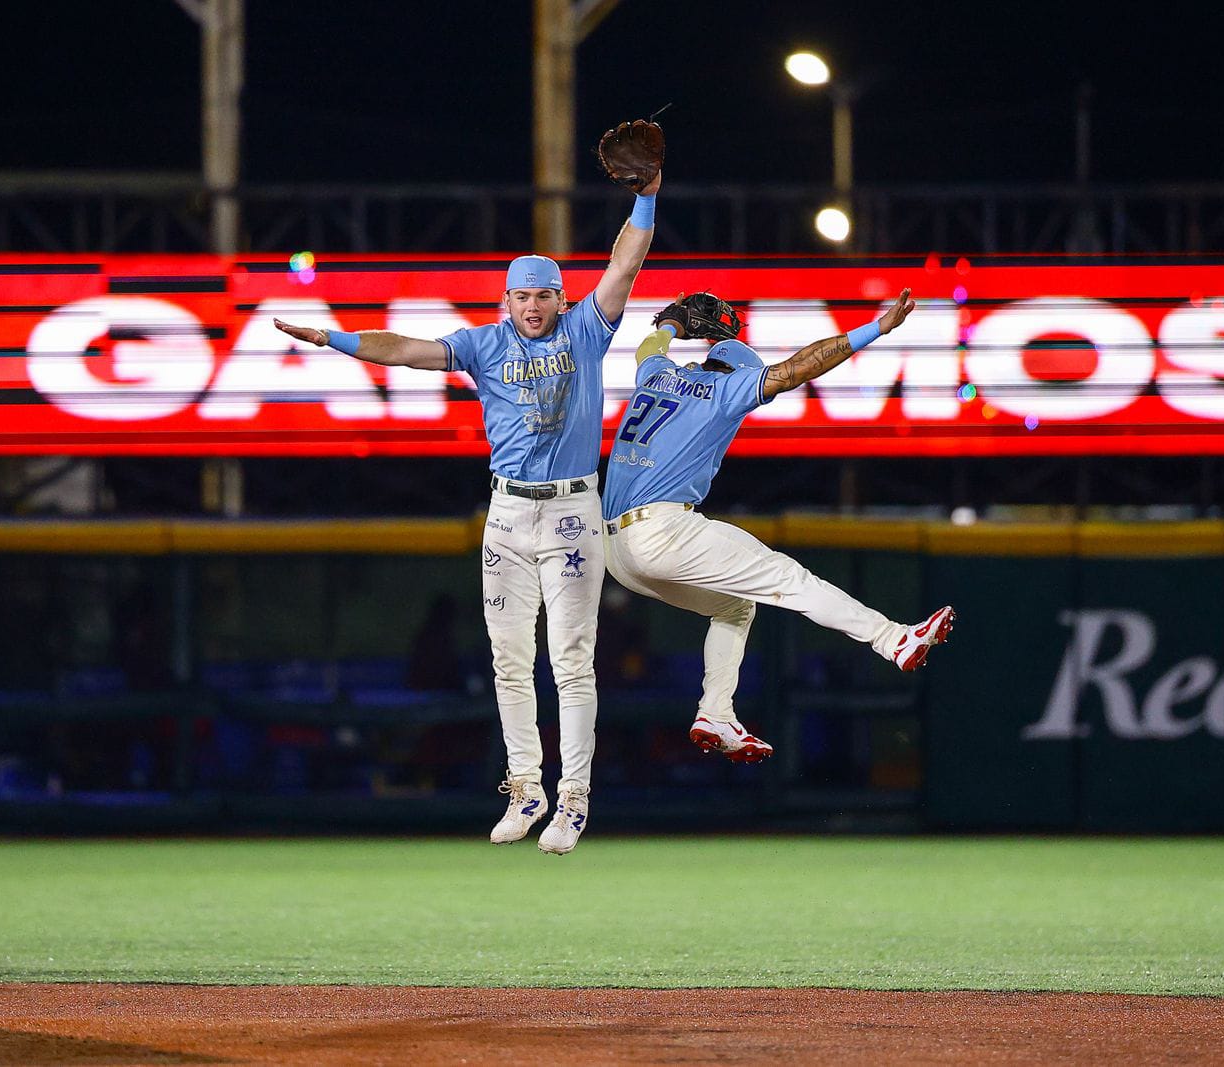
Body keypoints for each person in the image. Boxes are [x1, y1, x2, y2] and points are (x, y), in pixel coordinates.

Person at [273, 172, 662, 856]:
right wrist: (332, 338)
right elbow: (403, 350)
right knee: (509, 660)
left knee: (571, 660)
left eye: (544, 294)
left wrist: (646, 195)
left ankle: (574, 799)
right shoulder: (483, 344)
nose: (533, 305)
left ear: (561, 298)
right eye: (522, 295)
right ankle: (526, 788)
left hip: (572, 509)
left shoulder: (586, 329)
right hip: (507, 511)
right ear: (505, 300)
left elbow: (624, 263)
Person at [600, 289, 956, 762]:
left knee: (734, 608)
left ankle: (716, 713)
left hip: (615, 551)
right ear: (737, 373)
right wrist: (876, 328)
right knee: (789, 579)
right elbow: (799, 369)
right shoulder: (726, 390)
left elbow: (649, 347)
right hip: (663, 532)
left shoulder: (656, 374)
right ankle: (893, 639)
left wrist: (671, 325)